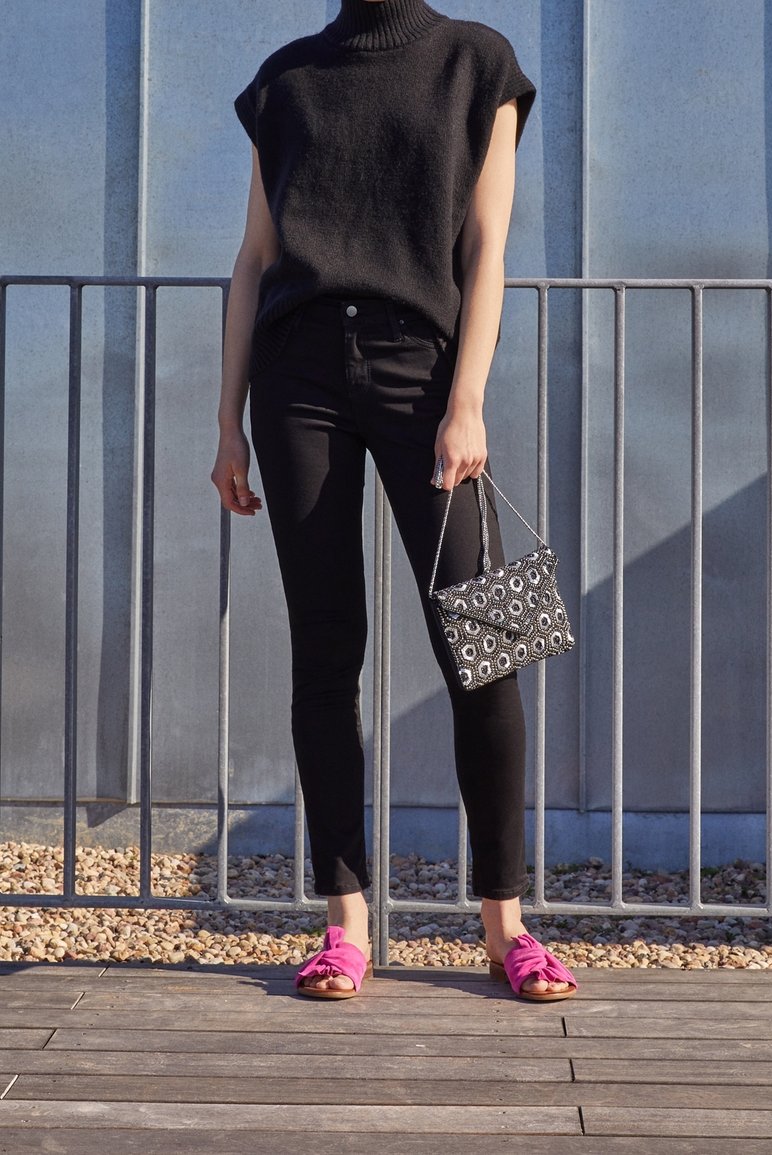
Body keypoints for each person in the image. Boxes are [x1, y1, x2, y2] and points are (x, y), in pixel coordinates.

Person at [212, 0, 577, 1002]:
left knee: (487, 644)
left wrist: (466, 403)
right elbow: (253, 260)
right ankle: (345, 929)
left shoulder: (477, 61)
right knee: (325, 654)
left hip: (426, 375)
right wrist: (224, 423)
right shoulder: (285, 79)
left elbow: (484, 248)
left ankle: (506, 929)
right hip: (298, 381)